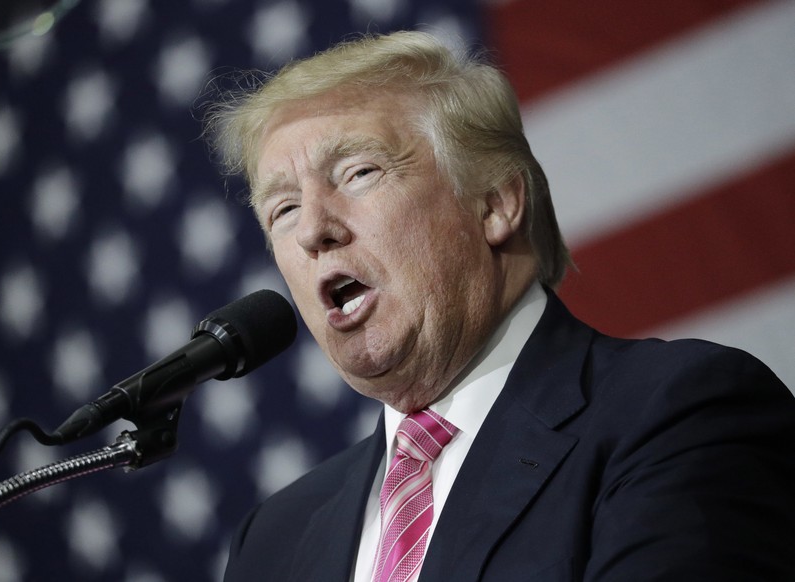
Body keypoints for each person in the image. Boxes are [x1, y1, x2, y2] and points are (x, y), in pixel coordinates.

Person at [205, 30, 795, 581]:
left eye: (358, 173)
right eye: (281, 210)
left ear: (494, 204)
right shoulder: (274, 538)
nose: (312, 230)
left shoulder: (677, 412)